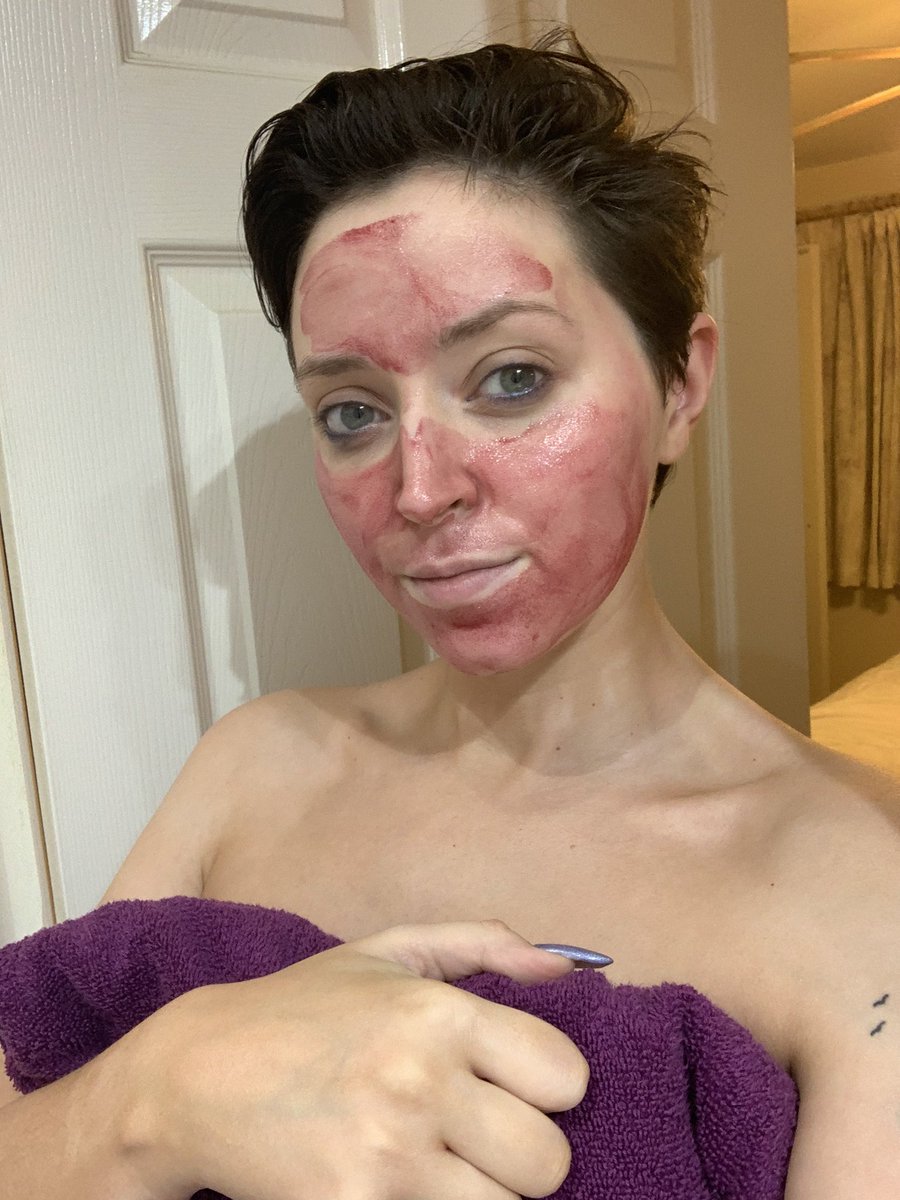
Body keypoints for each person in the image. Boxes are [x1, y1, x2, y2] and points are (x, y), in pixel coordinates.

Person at [1, 27, 898, 1200]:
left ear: (681, 384)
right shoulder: (255, 768)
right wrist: (150, 1103)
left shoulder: (861, 884)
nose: (418, 491)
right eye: (352, 411)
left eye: (512, 378)